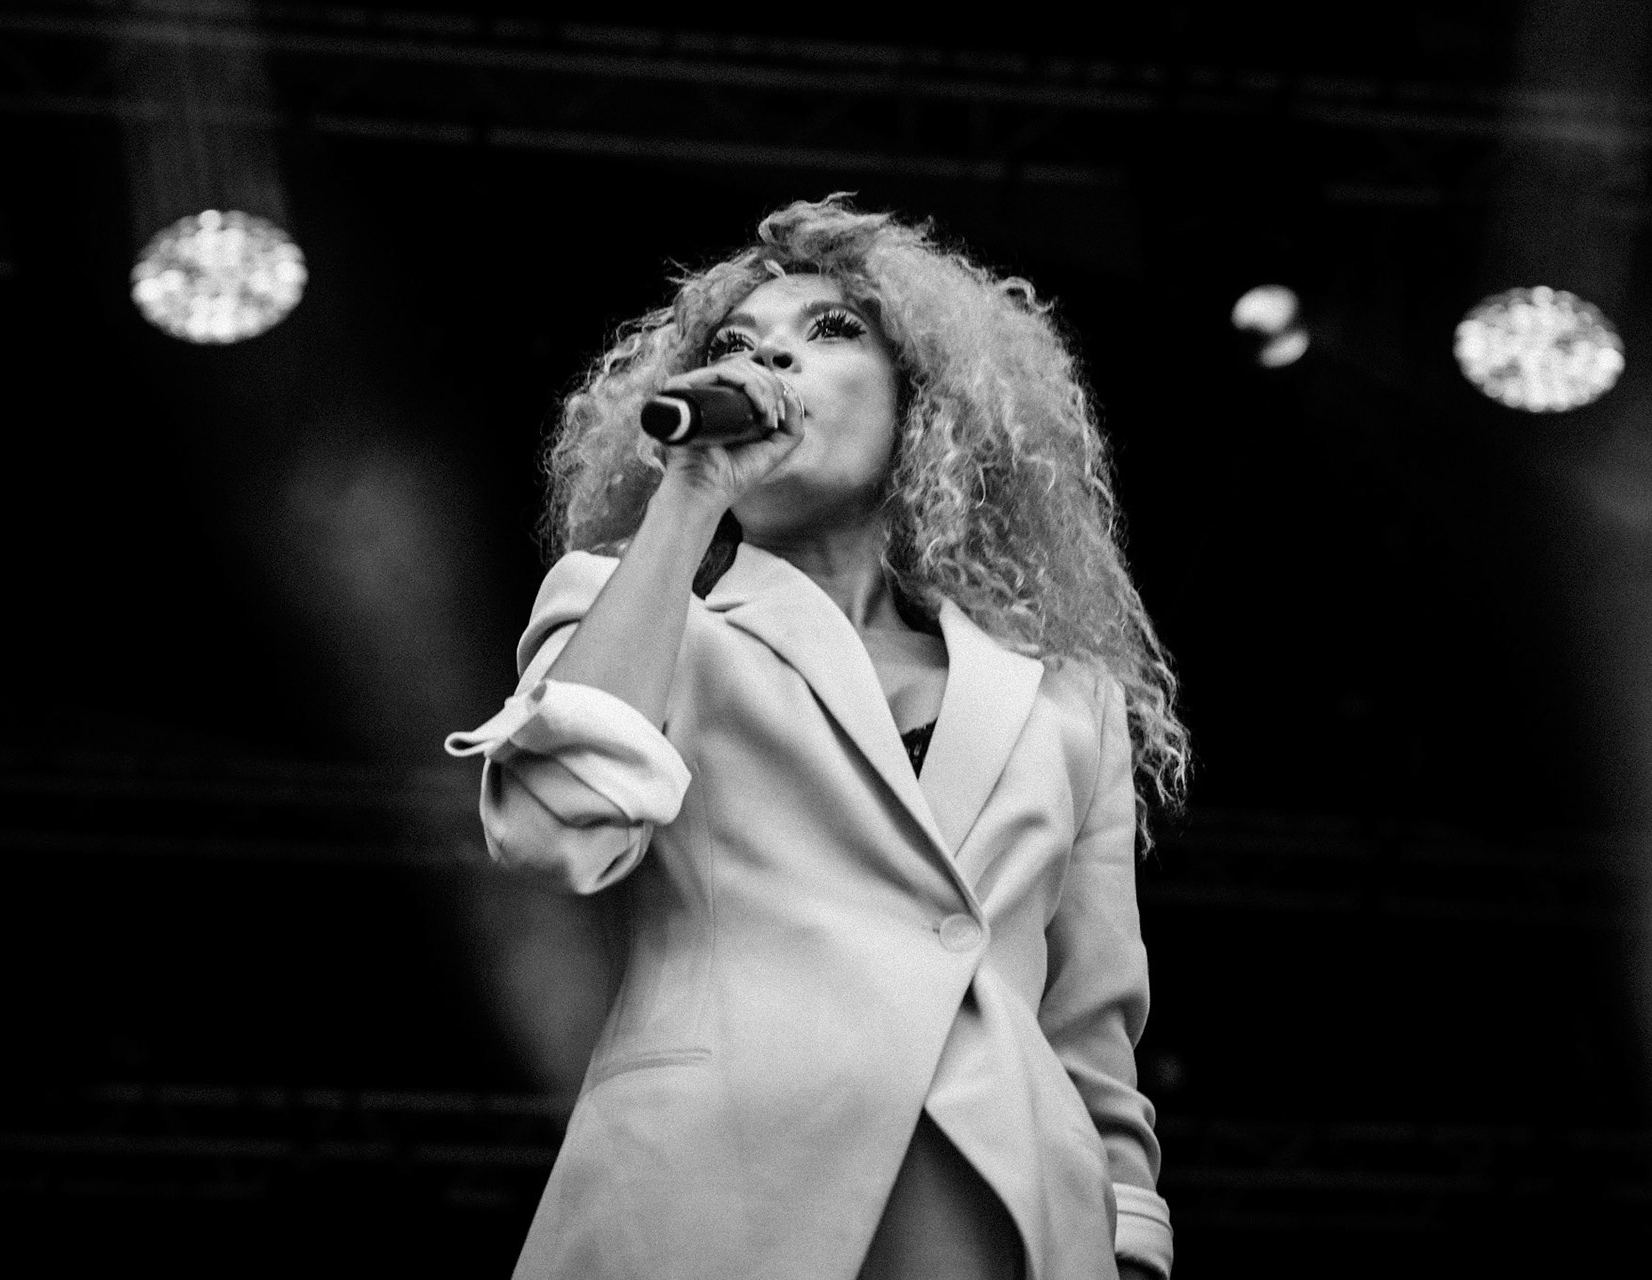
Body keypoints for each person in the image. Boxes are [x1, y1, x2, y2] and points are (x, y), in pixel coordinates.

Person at [447, 195, 1189, 1280]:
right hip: (712, 1195)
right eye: (739, 346)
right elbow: (557, 831)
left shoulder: (1062, 701)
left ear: (924, 405)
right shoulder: (636, 612)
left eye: (830, 333)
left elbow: (1092, 1021)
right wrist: (691, 495)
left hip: (1005, 1215)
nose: (770, 361)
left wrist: (1124, 1243)